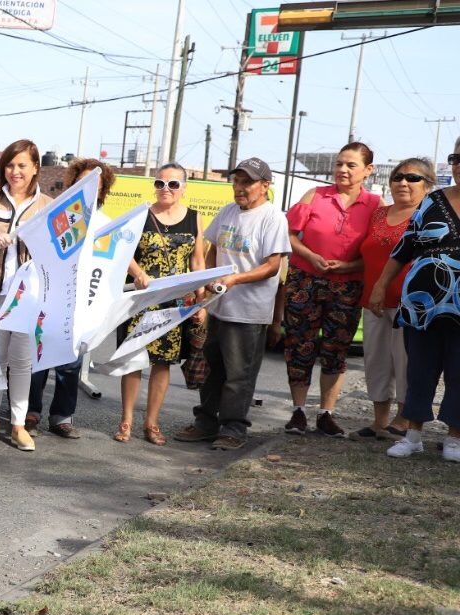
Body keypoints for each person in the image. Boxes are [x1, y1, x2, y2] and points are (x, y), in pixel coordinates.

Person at [174, 158, 290, 450]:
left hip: (249, 311)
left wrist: (235, 280)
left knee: (239, 374)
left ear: (265, 186)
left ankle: (234, 428)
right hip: (220, 306)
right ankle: (206, 423)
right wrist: (208, 283)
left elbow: (272, 266)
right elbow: (212, 251)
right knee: (212, 369)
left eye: (247, 182)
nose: (240, 188)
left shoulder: (272, 217)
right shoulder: (228, 212)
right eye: (237, 181)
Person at [279, 142, 381, 438]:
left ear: (368, 170)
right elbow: (289, 237)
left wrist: (349, 267)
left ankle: (326, 414)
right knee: (299, 346)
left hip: (348, 285)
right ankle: (298, 412)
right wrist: (311, 256)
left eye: (351, 165)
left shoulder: (376, 205)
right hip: (305, 281)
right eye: (339, 164)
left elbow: (378, 249)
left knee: (336, 349)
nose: (343, 170)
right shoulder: (314, 195)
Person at [370, 144, 460, 462]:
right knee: (420, 369)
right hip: (423, 303)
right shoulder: (433, 201)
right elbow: (404, 247)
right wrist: (381, 285)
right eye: (456, 159)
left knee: (459, 371)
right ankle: (413, 435)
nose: (459, 164)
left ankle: (454, 439)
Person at [115, 163, 206, 446]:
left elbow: (197, 262)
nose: (165, 189)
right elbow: (123, 251)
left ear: (184, 188)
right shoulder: (140, 214)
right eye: (160, 183)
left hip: (174, 303)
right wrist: (138, 273)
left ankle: (151, 422)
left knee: (163, 363)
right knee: (132, 360)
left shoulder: (194, 218)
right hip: (139, 299)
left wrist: (201, 302)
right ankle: (126, 420)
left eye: (173, 184)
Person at [0, 140, 51, 451]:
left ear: (35, 169)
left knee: (21, 362)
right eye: (10, 165)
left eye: (22, 166)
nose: (15, 171)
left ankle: (17, 424)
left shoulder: (47, 205)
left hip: (31, 298)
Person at [27, 158, 115, 441]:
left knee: (71, 361)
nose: (89, 187)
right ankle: (30, 411)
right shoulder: (57, 214)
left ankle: (62, 417)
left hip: (83, 301)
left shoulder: (106, 224)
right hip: (49, 295)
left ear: (103, 189)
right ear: (73, 184)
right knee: (38, 355)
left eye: (96, 182)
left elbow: (113, 262)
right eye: (83, 181)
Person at [355, 159, 434, 440]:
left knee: (406, 364)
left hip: (410, 306)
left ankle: (402, 421)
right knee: (376, 361)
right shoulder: (378, 214)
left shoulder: (429, 217)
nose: (403, 182)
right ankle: (379, 420)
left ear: (427, 185)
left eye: (412, 178)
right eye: (398, 177)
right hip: (374, 302)